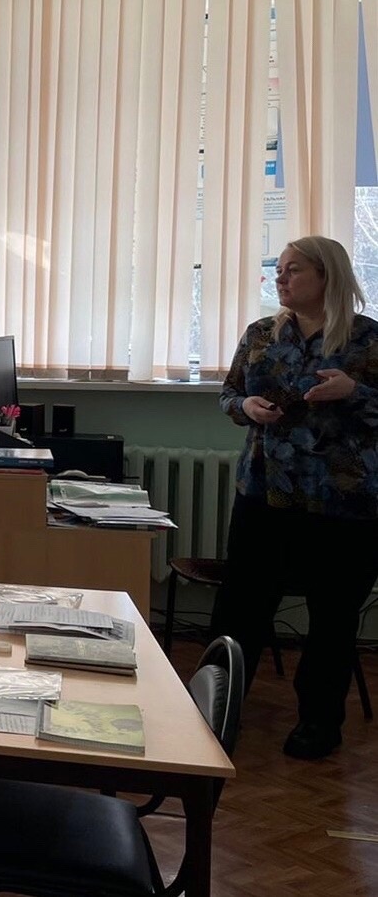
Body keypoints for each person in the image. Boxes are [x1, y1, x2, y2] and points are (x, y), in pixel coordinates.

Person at [213, 235, 378, 761]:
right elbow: (228, 393)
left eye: (293, 270)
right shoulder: (261, 334)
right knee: (241, 607)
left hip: (343, 504)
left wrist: (354, 393)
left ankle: (319, 723)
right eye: (278, 270)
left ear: (328, 276)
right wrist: (246, 407)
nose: (280, 279)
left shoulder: (368, 340)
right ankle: (215, 712)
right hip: (265, 494)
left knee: (332, 618)